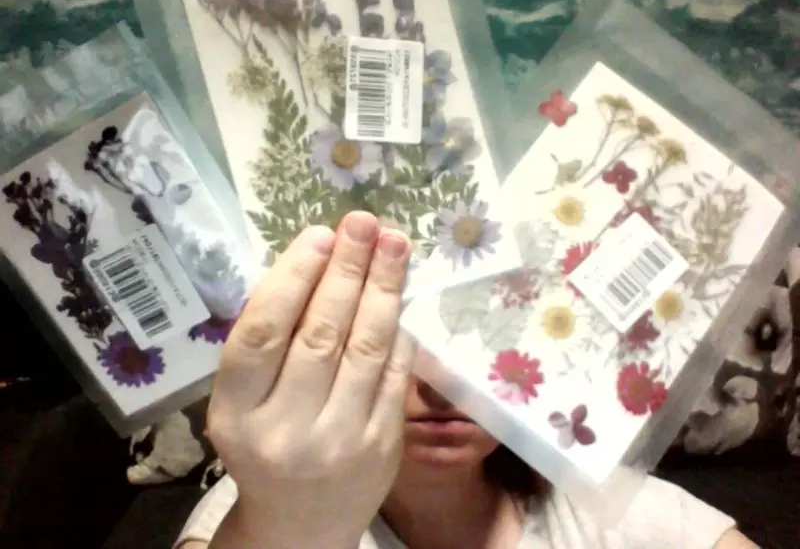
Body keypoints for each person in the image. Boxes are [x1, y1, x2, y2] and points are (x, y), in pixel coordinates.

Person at [176, 211, 757, 549]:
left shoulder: (610, 510)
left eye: (486, 329)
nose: (443, 383)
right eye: (402, 331)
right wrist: (283, 526)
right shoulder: (272, 501)